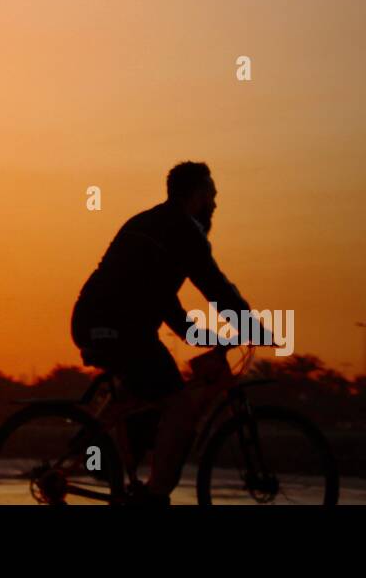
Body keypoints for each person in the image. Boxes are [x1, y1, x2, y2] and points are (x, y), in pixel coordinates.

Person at [71, 161, 255, 503]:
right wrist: (248, 323)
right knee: (180, 405)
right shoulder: (183, 231)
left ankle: (107, 455)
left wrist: (199, 335)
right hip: (114, 326)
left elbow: (160, 296)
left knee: (149, 399)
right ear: (196, 195)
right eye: (211, 195)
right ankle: (154, 495)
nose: (215, 204)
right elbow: (212, 284)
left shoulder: (155, 224)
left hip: (107, 322)